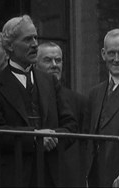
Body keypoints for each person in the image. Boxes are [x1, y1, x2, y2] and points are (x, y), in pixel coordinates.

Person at [0, 15, 77, 187]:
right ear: (9, 46)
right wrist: (33, 138)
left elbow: (70, 125)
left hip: (53, 177)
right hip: (14, 178)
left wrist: (52, 138)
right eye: (27, 39)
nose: (35, 44)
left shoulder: (50, 81)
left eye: (35, 38)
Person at [36, 41, 88, 186]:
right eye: (47, 60)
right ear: (35, 64)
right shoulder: (31, 96)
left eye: (58, 60)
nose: (54, 64)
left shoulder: (79, 101)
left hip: (69, 177)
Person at [86, 28, 119, 187]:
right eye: (111, 53)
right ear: (103, 54)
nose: (116, 59)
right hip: (96, 178)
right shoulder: (95, 93)